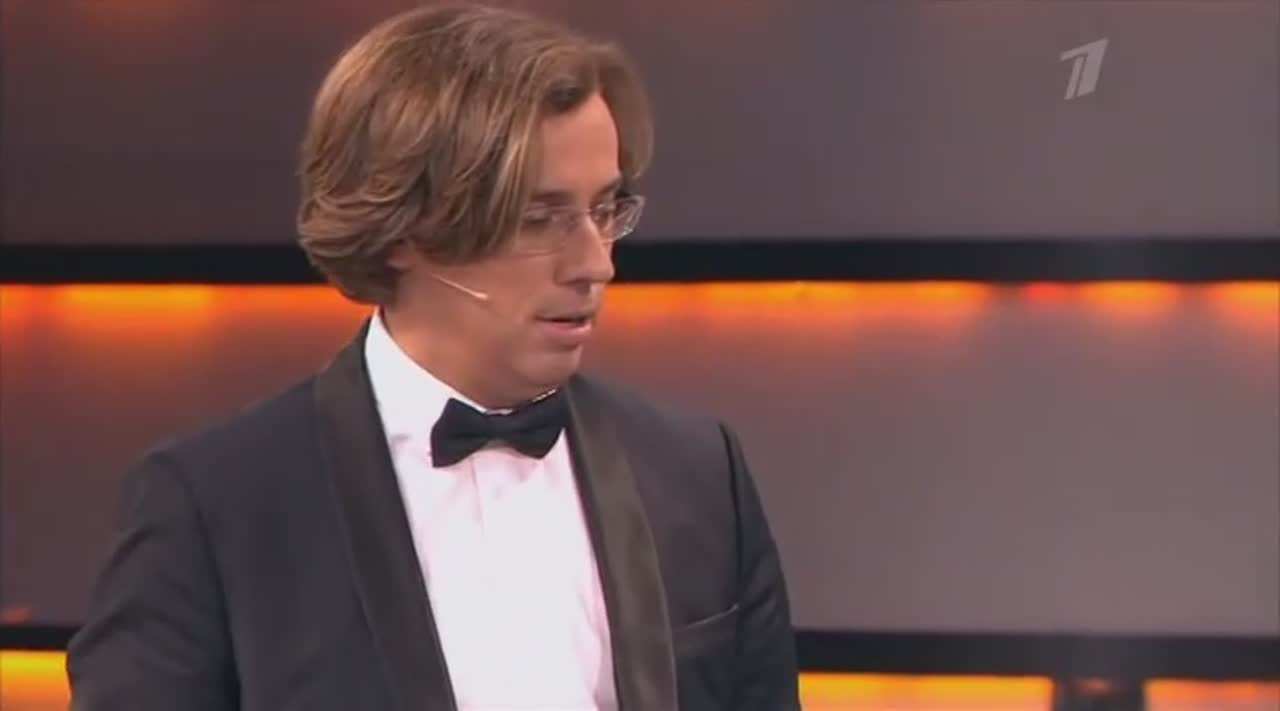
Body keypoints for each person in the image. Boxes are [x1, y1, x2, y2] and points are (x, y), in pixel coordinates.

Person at [66, 3, 799, 709]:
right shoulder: (215, 507)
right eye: (539, 218)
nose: (595, 264)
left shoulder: (699, 473)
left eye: (604, 210)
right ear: (403, 232)